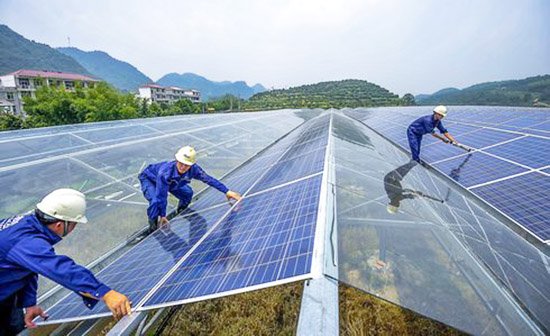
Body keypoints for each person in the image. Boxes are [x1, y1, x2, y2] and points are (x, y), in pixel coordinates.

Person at [0, 189, 132, 335]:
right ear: (60, 225)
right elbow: (62, 270)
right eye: (74, 224)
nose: (74, 229)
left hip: (6, 296)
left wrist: (29, 303)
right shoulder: (26, 241)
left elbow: (27, 268)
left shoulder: (27, 225)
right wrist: (105, 293)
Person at [139, 146, 242, 232]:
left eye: (187, 165)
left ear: (191, 165)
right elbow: (162, 195)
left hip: (171, 181)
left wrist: (227, 191)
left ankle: (181, 210)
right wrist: (163, 216)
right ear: (176, 160)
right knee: (155, 201)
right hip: (150, 179)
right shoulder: (165, 172)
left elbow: (209, 179)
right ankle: (152, 226)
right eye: (181, 163)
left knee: (187, 193)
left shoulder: (194, 169)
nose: (183, 167)